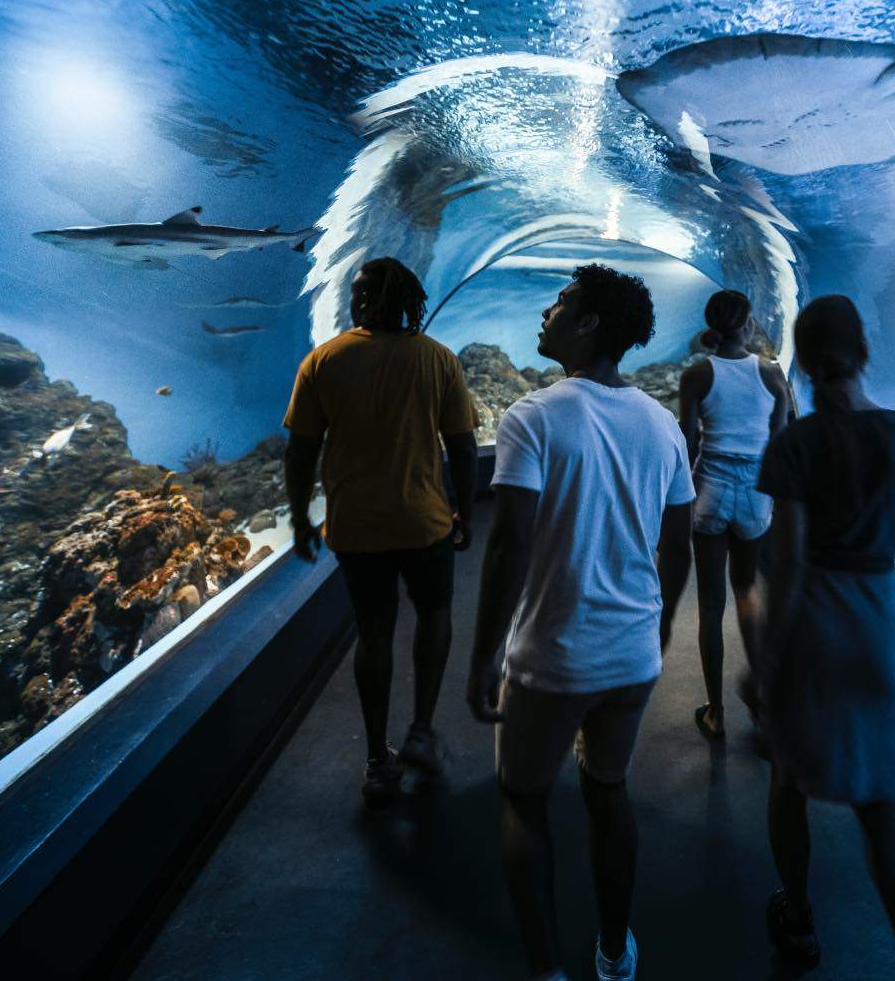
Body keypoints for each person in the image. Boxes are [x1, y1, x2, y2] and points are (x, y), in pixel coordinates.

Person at [466, 264, 693, 981]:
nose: (549, 310)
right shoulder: (662, 424)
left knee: (523, 800)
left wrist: (482, 660)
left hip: (552, 657)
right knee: (608, 791)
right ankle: (614, 951)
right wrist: (657, 630)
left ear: (589, 323)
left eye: (562, 301)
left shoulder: (532, 415)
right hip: (631, 654)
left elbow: (508, 546)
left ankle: (545, 970)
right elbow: (678, 543)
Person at [755, 295, 895, 974]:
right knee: (882, 804)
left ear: (801, 362)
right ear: (864, 352)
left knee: (787, 778)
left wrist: (767, 660)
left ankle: (798, 920)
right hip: (878, 616)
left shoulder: (796, 445)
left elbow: (790, 560)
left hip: (817, 619)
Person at [284, 257, 477, 808]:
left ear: (360, 300)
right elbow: (462, 446)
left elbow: (300, 451)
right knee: (435, 615)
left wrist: (300, 518)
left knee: (373, 633)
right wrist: (463, 510)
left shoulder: (323, 361)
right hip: (425, 522)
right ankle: (420, 728)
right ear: (411, 301)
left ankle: (376, 759)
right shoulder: (437, 359)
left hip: (355, 526)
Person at [675, 289, 790, 740]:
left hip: (711, 493)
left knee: (710, 605)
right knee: (747, 593)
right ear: (749, 324)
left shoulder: (697, 375)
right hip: (756, 497)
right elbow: (779, 445)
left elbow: (685, 443)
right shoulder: (771, 375)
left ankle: (717, 712)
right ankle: (761, 705)